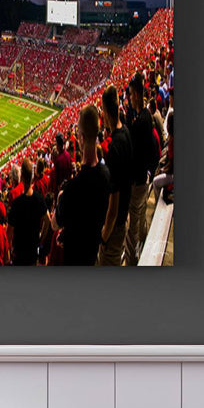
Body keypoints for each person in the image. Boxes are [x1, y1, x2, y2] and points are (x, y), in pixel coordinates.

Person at [52, 105, 111, 265]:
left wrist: (59, 199)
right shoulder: (106, 175)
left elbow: (54, 224)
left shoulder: (72, 189)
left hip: (75, 258)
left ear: (81, 138)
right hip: (93, 254)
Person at [98, 85, 133, 266]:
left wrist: (103, 236)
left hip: (115, 226)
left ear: (104, 110)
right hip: (125, 215)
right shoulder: (126, 132)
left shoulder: (113, 148)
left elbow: (113, 203)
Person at [126, 72, 156, 265]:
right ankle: (144, 241)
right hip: (143, 178)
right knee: (141, 216)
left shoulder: (142, 121)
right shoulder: (144, 116)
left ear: (136, 94)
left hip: (137, 181)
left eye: (130, 94)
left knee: (131, 230)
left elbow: (133, 150)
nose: (128, 98)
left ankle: (132, 262)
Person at [7, 158, 49, 265]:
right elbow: (47, 220)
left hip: (19, 252)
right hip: (33, 249)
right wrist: (41, 239)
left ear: (22, 177)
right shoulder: (39, 198)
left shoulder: (16, 203)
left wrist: (9, 251)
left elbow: (9, 234)